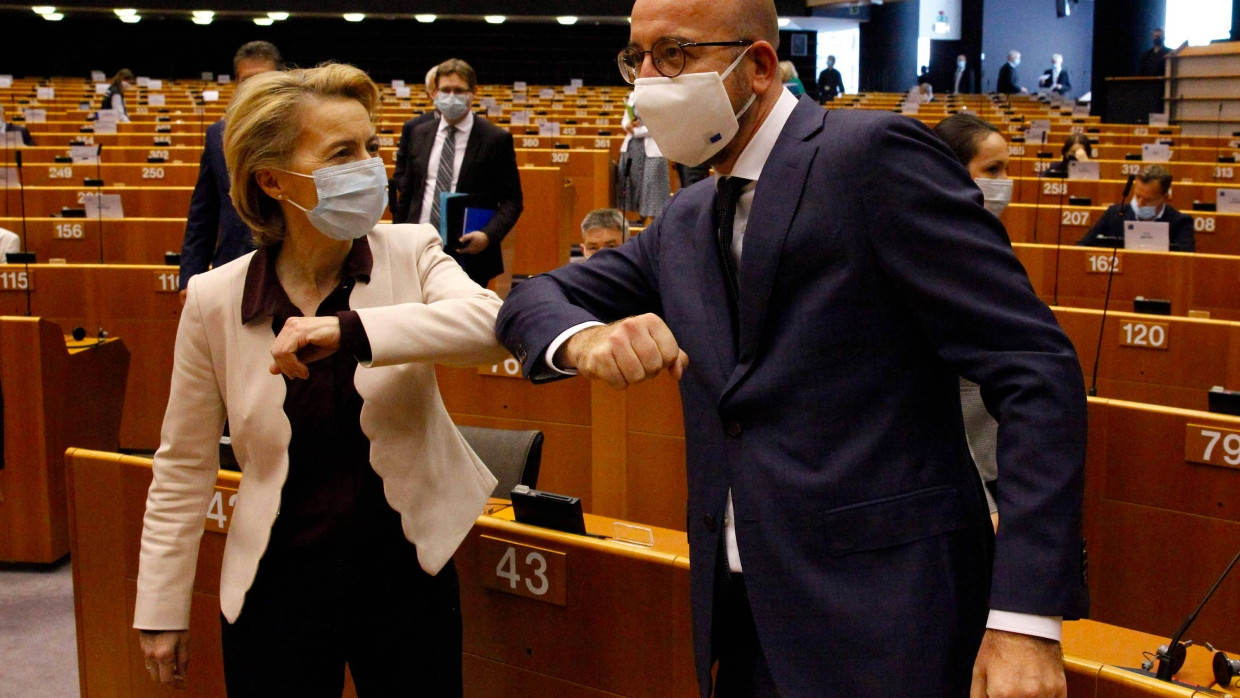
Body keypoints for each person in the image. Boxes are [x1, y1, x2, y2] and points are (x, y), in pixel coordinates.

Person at [497, 0, 1088, 695]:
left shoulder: (872, 156)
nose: (648, 80)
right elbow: (531, 300)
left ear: (759, 65)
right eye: (637, 58)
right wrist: (584, 338)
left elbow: (1034, 369)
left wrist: (1024, 617)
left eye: (675, 54)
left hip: (891, 616)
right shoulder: (686, 216)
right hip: (744, 621)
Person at [134, 63, 508, 696]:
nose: (371, 167)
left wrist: (351, 330)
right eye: (343, 153)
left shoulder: (411, 249)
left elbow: (491, 324)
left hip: (406, 573)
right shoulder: (214, 298)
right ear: (273, 179)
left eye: (370, 147)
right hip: (277, 582)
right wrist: (161, 608)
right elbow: (183, 466)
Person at [934, 112, 1021, 531]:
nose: (1005, 182)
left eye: (1007, 168)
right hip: (964, 493)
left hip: (998, 474)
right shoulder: (938, 265)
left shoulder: (992, 248)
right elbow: (936, 402)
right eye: (993, 169)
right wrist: (985, 504)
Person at [390, 58, 523, 287]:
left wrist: (488, 236)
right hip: (416, 244)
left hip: (467, 249)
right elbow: (408, 192)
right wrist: (397, 235)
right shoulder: (418, 133)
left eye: (459, 90)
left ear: (474, 92)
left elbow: (513, 201)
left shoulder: (495, 139)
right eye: (445, 90)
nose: (451, 96)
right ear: (434, 92)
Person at [178, 41, 282, 305]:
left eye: (263, 79)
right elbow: (203, 212)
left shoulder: (299, 129)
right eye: (247, 81)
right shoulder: (217, 135)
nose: (254, 89)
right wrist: (191, 275)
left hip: (289, 265)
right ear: (237, 82)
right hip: (233, 264)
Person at [1076, 164, 1194, 251]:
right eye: (1137, 196)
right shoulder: (1114, 214)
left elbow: (1185, 264)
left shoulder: (1181, 223)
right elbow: (1081, 247)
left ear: (1165, 197)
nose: (1139, 204)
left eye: (1148, 200)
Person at [390, 64, 442, 214]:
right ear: (429, 94)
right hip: (419, 209)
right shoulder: (413, 128)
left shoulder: (485, 132)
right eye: (437, 89)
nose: (446, 95)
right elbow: (400, 174)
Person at [619, 89, 672, 225]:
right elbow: (625, 121)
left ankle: (651, 232)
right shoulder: (632, 96)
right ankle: (642, 227)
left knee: (652, 193)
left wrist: (636, 131)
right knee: (636, 190)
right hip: (632, 149)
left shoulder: (662, 98)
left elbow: (660, 125)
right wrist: (628, 125)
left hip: (654, 151)